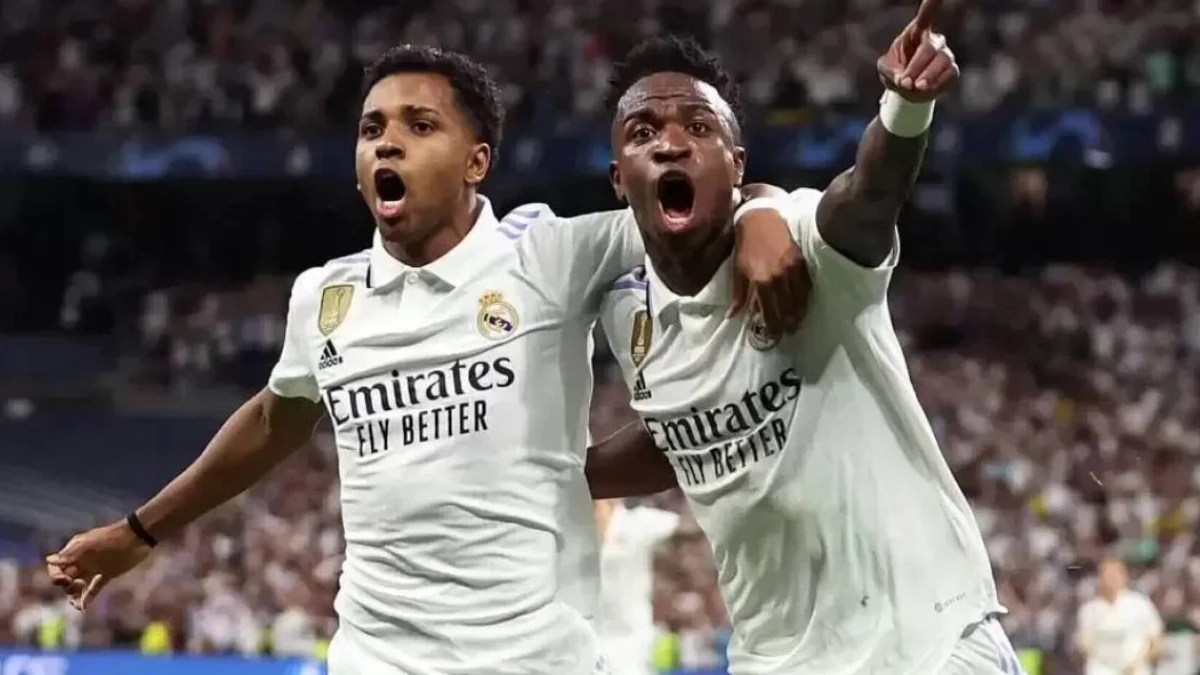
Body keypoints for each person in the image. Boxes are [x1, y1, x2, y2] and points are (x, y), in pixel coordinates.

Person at [43, 44, 805, 675]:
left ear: (476, 162)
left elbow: (704, 197)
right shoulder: (325, 296)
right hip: (373, 658)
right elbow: (276, 418)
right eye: (372, 128)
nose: (388, 142)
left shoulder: (549, 253)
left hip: (535, 659)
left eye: (420, 124)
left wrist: (764, 211)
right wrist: (141, 530)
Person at [597, 15, 1027, 675]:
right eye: (643, 132)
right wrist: (555, 473)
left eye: (700, 128)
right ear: (617, 177)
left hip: (924, 643)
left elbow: (866, 200)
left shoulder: (796, 239)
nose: (672, 144)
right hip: (775, 659)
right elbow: (683, 431)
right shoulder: (627, 310)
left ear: (738, 165)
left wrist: (903, 110)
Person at [593, 498, 683, 675]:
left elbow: (688, 526)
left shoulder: (639, 522)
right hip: (590, 640)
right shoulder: (573, 530)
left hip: (632, 642)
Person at [1076, 557, 1163, 675]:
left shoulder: (1141, 604)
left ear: (1124, 577)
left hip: (1135, 669)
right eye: (1106, 574)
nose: (1111, 579)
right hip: (1102, 670)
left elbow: (1155, 640)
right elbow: (1084, 645)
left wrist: (1138, 664)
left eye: (1115, 574)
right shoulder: (1089, 610)